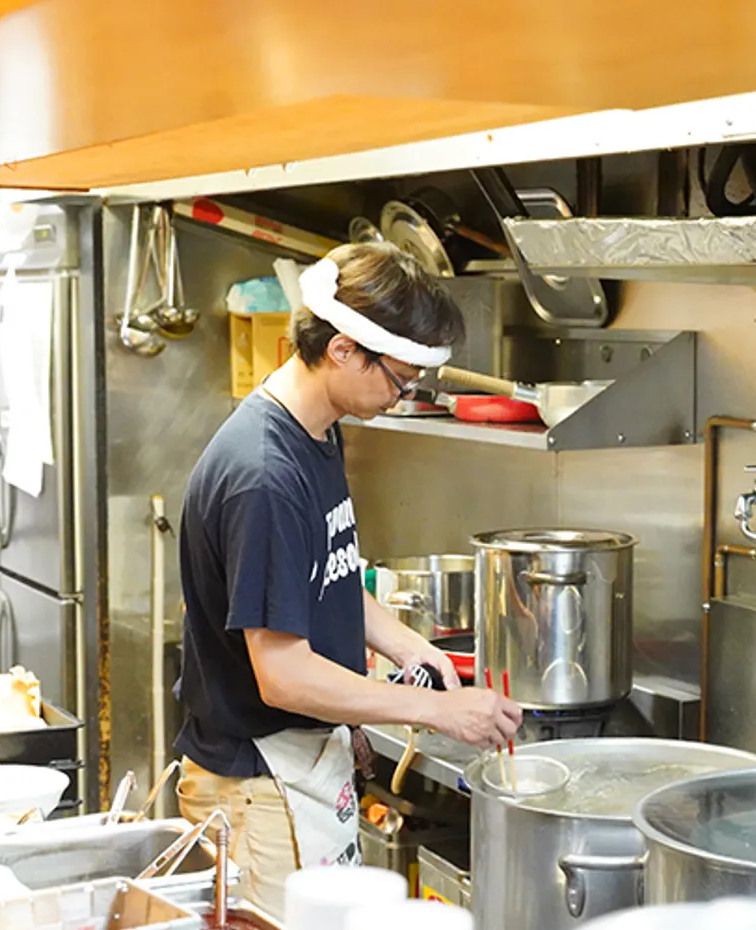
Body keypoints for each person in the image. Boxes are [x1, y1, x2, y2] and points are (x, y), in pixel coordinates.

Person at [173, 242, 522, 917]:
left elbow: (326, 577)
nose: (403, 395)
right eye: (400, 379)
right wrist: (436, 710)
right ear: (342, 351)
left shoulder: (317, 430)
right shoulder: (264, 476)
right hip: (259, 786)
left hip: (298, 766)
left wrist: (408, 646)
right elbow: (283, 676)